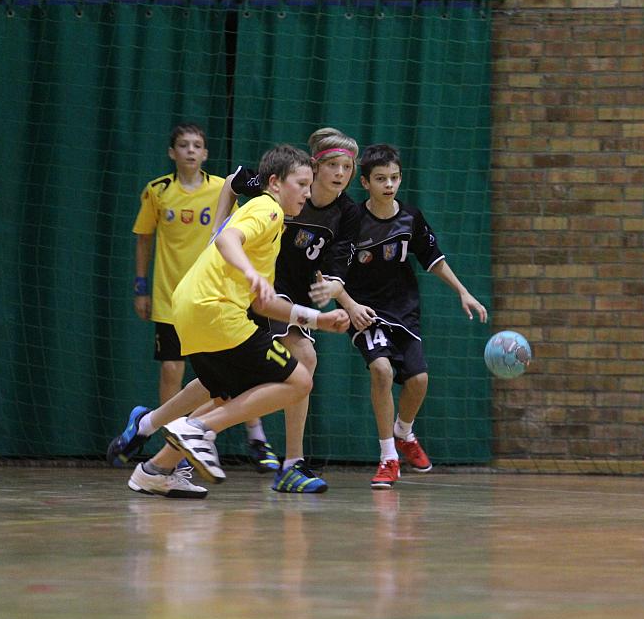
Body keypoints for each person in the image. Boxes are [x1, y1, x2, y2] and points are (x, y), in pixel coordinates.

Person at [108, 144, 350, 498]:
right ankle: (197, 428)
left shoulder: (271, 224)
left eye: (309, 186)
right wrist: (249, 271)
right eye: (301, 184)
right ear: (275, 183)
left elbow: (263, 303)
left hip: (190, 310)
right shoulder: (268, 209)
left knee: (229, 393)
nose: (307, 193)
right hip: (217, 312)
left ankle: (154, 470)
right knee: (299, 380)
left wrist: (319, 319)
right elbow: (227, 238)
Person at [336, 143, 488, 489]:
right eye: (380, 179)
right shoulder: (352, 221)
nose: (389, 184)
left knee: (419, 380)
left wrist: (463, 291)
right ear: (365, 182)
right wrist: (349, 306)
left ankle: (404, 432)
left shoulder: (410, 218)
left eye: (394, 177)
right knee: (381, 369)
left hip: (403, 308)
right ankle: (388, 457)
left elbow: (433, 257)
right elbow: (331, 271)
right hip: (365, 309)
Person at [227, 127, 363, 492]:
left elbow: (337, 265)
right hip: (252, 286)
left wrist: (336, 288)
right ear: (314, 167)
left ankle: (159, 428)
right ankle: (285, 458)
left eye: (347, 167)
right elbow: (233, 182)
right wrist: (219, 228)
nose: (340, 173)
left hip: (288, 294)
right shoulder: (284, 188)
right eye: (332, 165)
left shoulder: (347, 212)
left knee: (232, 378)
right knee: (299, 359)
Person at [129, 123, 239, 408]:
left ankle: (217, 429)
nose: (190, 151)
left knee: (221, 372)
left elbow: (239, 234)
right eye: (183, 145)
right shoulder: (158, 190)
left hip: (210, 295)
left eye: (197, 146)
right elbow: (144, 238)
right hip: (170, 295)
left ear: (205, 154)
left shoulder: (222, 189)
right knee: (171, 368)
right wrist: (140, 287)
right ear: (171, 152)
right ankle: (169, 433)